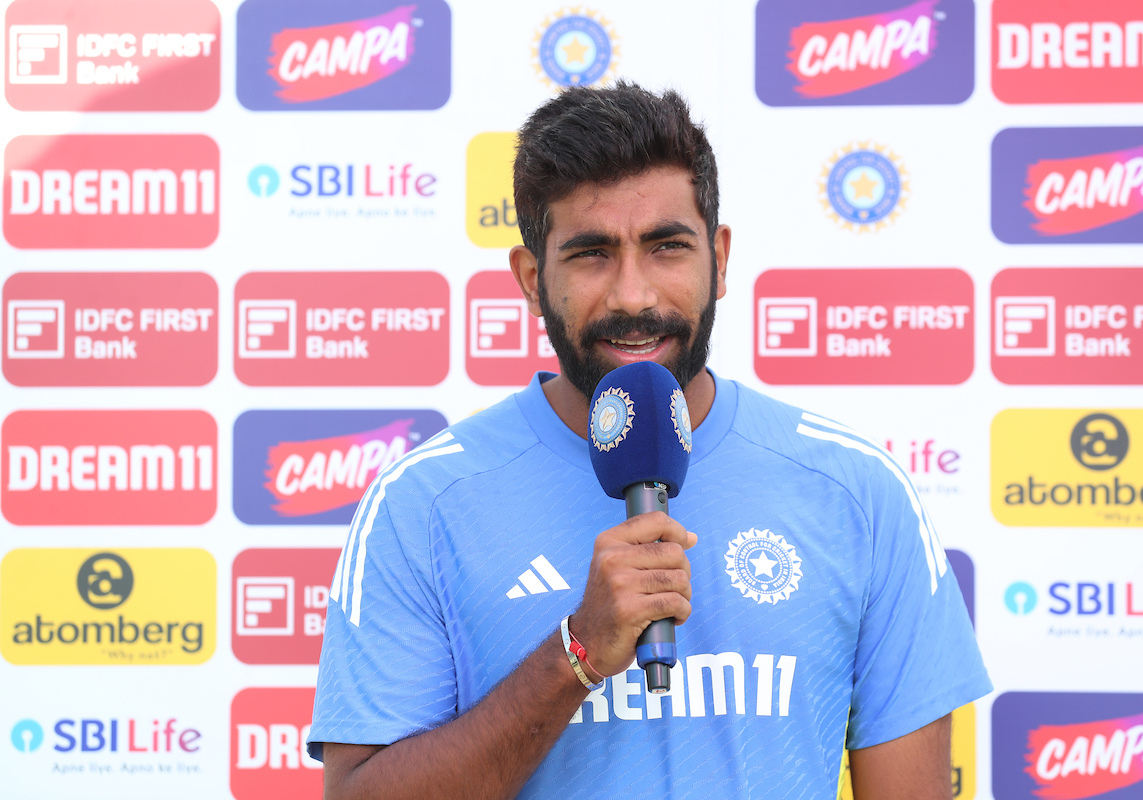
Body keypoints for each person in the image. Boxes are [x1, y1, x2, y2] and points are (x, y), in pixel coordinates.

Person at [308, 81, 990, 800]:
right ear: (533, 278)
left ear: (719, 261)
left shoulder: (856, 490)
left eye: (666, 247)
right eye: (592, 254)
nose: (634, 295)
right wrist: (576, 652)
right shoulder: (425, 502)